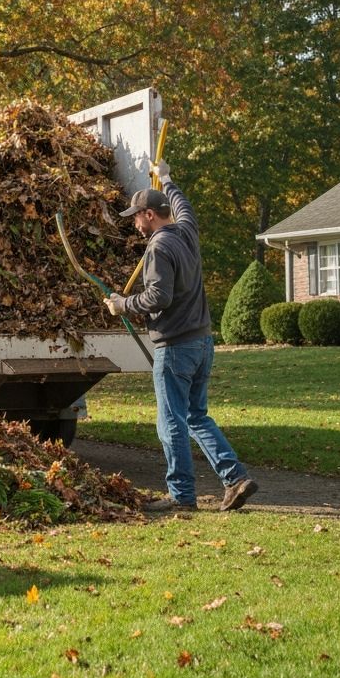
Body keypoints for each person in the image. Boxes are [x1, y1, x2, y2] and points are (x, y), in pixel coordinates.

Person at [104, 162, 258, 513]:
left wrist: (122, 305)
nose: (134, 223)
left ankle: (181, 496)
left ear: (148, 215)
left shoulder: (158, 247)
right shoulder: (186, 230)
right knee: (196, 416)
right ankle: (235, 478)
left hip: (175, 347)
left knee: (171, 421)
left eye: (135, 217)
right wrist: (168, 178)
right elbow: (184, 206)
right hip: (202, 342)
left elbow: (159, 296)